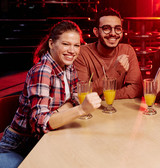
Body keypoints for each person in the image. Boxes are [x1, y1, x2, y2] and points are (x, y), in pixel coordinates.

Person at [0, 20, 101, 168]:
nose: (72, 50)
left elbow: (74, 99)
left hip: (44, 140)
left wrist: (59, 112)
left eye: (76, 45)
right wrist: (81, 110)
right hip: (18, 147)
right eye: (66, 44)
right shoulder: (43, 71)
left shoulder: (69, 67)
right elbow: (41, 124)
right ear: (51, 43)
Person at [74, 8, 142, 99]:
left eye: (117, 29)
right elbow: (82, 92)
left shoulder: (127, 50)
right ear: (96, 32)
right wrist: (115, 71)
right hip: (91, 110)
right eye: (106, 28)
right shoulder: (81, 53)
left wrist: (104, 96)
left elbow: (136, 89)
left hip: (118, 109)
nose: (113, 33)